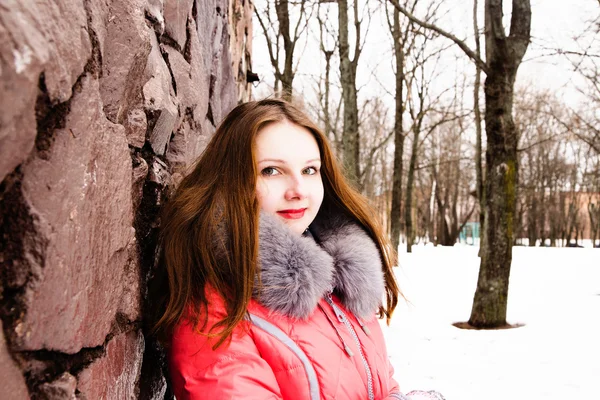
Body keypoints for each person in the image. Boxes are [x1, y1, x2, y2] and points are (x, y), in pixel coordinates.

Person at [152, 99, 444, 400]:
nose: (298, 190)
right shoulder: (216, 307)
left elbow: (379, 384)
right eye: (271, 171)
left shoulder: (339, 280)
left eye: (309, 170)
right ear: (231, 180)